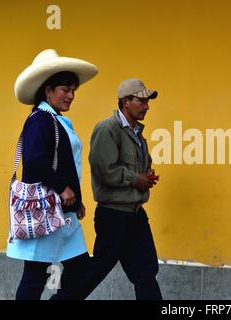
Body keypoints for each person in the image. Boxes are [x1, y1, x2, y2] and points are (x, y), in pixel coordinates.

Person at [6, 49, 98, 300]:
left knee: (78, 271)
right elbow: (34, 161)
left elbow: (65, 164)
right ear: (48, 90)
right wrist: (63, 188)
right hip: (47, 210)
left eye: (73, 91)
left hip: (61, 213)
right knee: (35, 278)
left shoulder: (53, 120)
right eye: (65, 90)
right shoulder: (41, 119)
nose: (71, 96)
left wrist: (75, 200)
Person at [82, 78, 162, 300]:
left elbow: (137, 166)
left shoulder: (137, 133)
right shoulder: (108, 128)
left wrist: (146, 175)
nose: (146, 106)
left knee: (145, 272)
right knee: (95, 270)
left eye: (147, 102)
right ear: (126, 101)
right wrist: (137, 179)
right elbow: (104, 170)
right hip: (114, 215)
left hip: (135, 214)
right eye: (142, 101)